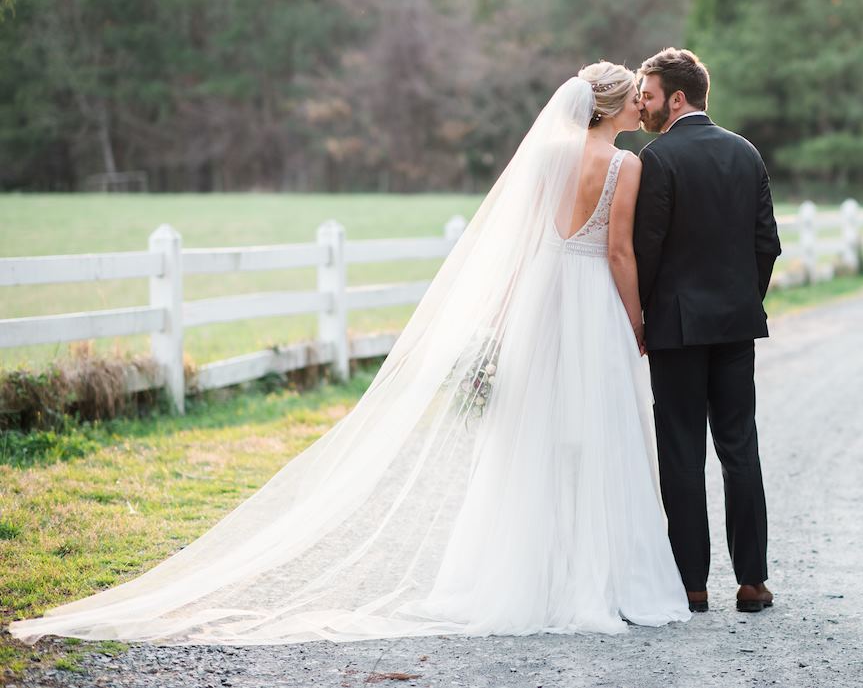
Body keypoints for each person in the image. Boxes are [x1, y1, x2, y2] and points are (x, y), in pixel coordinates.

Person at [8, 62, 690, 645]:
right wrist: (634, 321)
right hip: (590, 304)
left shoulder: (545, 156)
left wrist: (499, 320)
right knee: (595, 437)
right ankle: (594, 581)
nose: (642, 103)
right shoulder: (626, 165)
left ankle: (527, 579)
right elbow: (619, 251)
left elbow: (516, 248)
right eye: (635, 95)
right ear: (613, 104)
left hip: (540, 301)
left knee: (530, 439)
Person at [633, 47, 781, 614]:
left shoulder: (658, 159)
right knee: (740, 446)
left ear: (677, 97)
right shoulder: (746, 154)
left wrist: (645, 314)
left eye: (648, 95)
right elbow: (765, 244)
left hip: (675, 328)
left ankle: (691, 584)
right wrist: (743, 300)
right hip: (736, 324)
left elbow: (647, 248)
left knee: (681, 452)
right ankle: (752, 582)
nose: (642, 106)